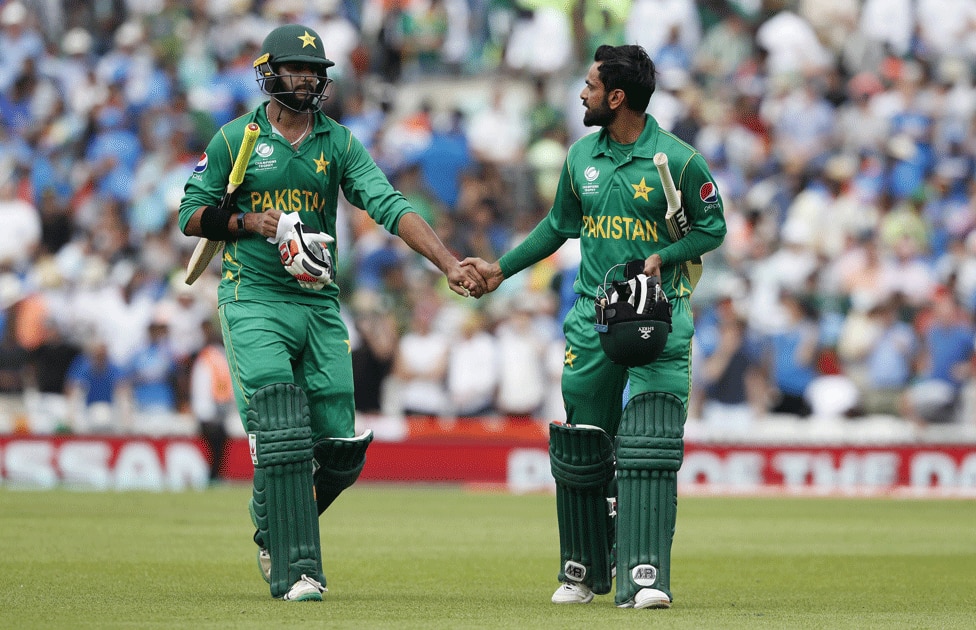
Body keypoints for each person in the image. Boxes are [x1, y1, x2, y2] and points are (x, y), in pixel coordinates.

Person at [178, 23, 485, 603]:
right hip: (254, 297)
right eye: (300, 70)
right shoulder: (233, 139)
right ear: (270, 75)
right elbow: (191, 216)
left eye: (317, 72)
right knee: (280, 425)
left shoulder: (338, 142)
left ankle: (272, 521)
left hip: (318, 301)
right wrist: (250, 223)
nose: (312, 81)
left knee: (340, 452)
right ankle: (298, 566)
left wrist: (445, 261)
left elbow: (389, 205)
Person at [463, 44, 726, 609]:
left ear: (617, 97)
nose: (580, 94)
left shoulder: (678, 161)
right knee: (585, 446)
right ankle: (582, 570)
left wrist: (666, 253)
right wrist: (498, 271)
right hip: (592, 316)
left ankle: (645, 578)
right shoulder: (580, 154)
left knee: (651, 440)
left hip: (660, 312)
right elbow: (557, 226)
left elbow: (713, 229)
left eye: (588, 85)